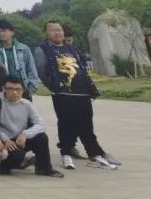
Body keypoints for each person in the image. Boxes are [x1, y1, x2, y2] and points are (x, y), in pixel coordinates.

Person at [34, 20, 119, 170]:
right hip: (63, 95)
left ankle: (94, 154)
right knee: (66, 124)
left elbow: (82, 69)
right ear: (47, 33)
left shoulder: (71, 48)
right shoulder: (43, 49)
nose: (57, 32)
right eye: (53, 30)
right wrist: (54, 86)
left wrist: (90, 88)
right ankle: (66, 153)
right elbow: (41, 71)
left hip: (82, 93)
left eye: (59, 29)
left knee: (87, 125)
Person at [0, 75, 65, 177]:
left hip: (20, 139)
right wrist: (5, 139)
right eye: (11, 89)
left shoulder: (26, 104)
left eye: (18, 89)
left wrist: (25, 134)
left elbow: (41, 124)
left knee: (42, 137)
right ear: (4, 89)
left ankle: (44, 168)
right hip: (3, 139)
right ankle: (6, 165)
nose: (15, 92)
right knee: (17, 156)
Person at [0, 19, 41, 99]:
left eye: (4, 31)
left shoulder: (23, 48)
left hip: (21, 86)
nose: (1, 33)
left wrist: (31, 86)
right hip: (2, 87)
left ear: (12, 32)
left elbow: (31, 68)